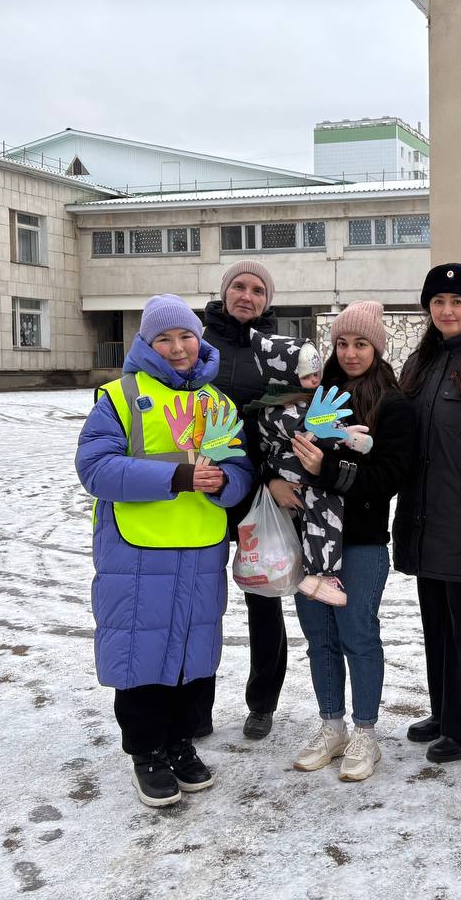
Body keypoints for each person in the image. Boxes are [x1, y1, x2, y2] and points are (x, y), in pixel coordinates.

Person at [76, 294, 254, 807]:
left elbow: (240, 473)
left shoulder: (217, 403)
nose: (177, 348)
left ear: (199, 340)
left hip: (199, 548)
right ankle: (146, 751)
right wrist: (180, 476)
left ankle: (181, 743)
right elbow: (97, 470)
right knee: (140, 651)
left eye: (185, 337)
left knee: (193, 651)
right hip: (137, 550)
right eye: (165, 339)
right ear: (146, 344)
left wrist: (224, 482)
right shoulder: (120, 396)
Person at [288, 301, 416, 782]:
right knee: (318, 636)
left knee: (357, 636)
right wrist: (286, 474)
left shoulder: (393, 404)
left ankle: (365, 731)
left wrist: (330, 470)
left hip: (360, 541)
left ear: (377, 347)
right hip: (312, 539)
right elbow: (291, 450)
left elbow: (388, 476)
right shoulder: (318, 395)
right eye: (342, 343)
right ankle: (331, 725)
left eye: (361, 343)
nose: (350, 352)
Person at [393, 264, 461, 763]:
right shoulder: (421, 360)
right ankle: (444, 710)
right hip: (421, 513)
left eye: (457, 301)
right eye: (438, 301)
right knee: (435, 621)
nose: (447, 310)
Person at [202, 259, 285, 741]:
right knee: (201, 600)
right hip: (204, 489)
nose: (247, 295)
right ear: (225, 292)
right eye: (239, 286)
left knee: (262, 597)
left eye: (257, 289)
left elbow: (292, 418)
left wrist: (277, 478)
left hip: (259, 494)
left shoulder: (277, 353)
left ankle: (263, 702)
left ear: (267, 301)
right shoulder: (198, 345)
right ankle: (196, 699)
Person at [245, 330, 374, 605]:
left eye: (316, 373)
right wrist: (347, 438)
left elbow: (318, 426)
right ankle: (319, 574)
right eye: (306, 376)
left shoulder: (299, 403)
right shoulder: (278, 410)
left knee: (320, 511)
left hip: (299, 470)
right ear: (285, 378)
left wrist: (341, 432)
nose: (315, 380)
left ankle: (318, 572)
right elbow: (309, 432)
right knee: (325, 511)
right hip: (293, 472)